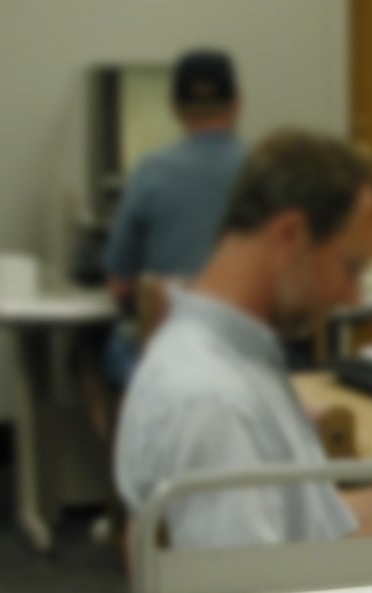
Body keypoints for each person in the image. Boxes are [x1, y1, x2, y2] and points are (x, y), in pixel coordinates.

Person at [114, 131, 372, 550]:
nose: (354, 298)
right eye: (351, 268)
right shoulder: (214, 402)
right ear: (289, 235)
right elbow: (252, 588)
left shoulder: (235, 358)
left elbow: (309, 523)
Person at [97, 49, 248, 390]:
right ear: (238, 102)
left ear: (174, 107)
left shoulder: (150, 171)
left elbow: (118, 284)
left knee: (94, 352)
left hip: (172, 359)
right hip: (250, 359)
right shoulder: (265, 170)